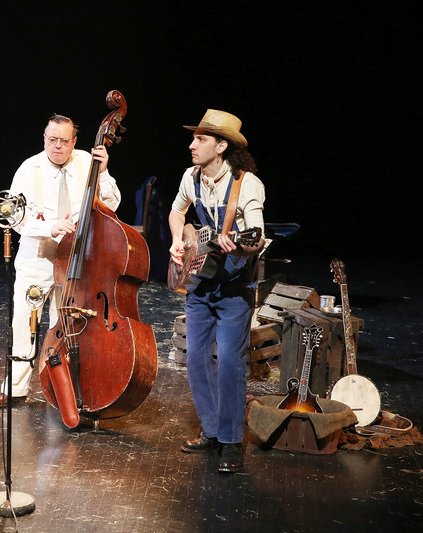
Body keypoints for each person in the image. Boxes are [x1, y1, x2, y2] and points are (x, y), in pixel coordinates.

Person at [0, 113, 121, 408]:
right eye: (52, 140)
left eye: (64, 141)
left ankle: (65, 387)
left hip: (76, 256)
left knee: (67, 321)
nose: (58, 146)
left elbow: (111, 204)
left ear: (74, 142)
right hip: (39, 253)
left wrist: (105, 172)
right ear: (44, 139)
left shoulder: (87, 161)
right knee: (25, 318)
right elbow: (14, 216)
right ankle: (16, 388)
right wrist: (49, 227)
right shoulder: (29, 168)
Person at [168, 109, 265, 473]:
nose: (192, 145)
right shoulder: (190, 177)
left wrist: (238, 244)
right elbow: (178, 213)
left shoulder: (247, 184)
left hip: (235, 287)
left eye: (201, 139)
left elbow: (255, 236)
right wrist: (179, 240)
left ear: (221, 146)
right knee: (194, 359)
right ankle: (210, 431)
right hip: (200, 283)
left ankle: (230, 441)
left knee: (229, 362)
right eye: (193, 138)